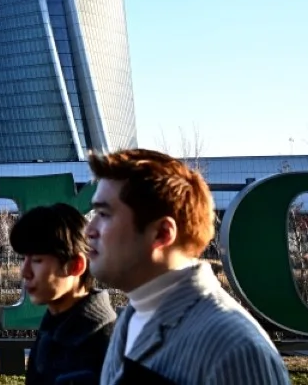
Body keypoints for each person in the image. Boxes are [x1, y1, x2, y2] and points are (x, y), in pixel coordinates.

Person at [84, 149, 290, 385]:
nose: (89, 230)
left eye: (103, 214)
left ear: (162, 233)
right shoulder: (132, 318)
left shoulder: (234, 348)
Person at [9, 202, 116, 385]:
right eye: (23, 259)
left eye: (37, 260)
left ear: (76, 266)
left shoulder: (108, 343)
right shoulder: (52, 326)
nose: (24, 272)